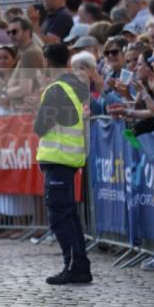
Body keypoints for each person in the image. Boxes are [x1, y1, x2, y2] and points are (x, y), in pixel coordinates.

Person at [34, 43, 92, 285]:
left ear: (47, 62)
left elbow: (40, 126)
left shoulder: (56, 89)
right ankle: (80, 266)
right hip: (68, 159)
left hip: (59, 159)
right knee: (69, 216)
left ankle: (74, 266)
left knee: (60, 218)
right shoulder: (73, 86)